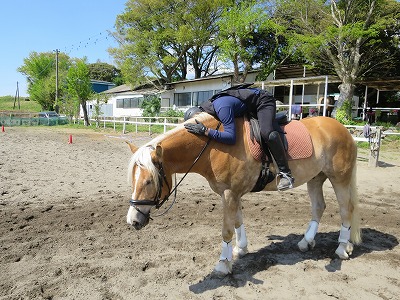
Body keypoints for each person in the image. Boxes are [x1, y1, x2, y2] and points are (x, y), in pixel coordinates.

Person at [184, 84, 294, 191]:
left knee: (266, 132)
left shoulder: (222, 108)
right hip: (249, 104)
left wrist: (205, 131)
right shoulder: (212, 107)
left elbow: (231, 137)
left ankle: (286, 174)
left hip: (263, 101)